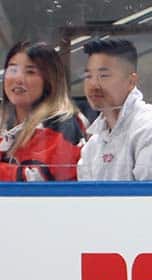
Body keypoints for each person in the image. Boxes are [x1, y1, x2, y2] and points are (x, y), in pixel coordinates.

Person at [76, 38, 152, 181]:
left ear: (131, 81)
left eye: (104, 75)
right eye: (88, 76)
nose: (93, 84)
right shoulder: (93, 145)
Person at [0, 41, 87, 181]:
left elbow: (39, 180)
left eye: (30, 72)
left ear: (50, 80)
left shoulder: (63, 124)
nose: (18, 79)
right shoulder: (5, 124)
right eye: (13, 70)